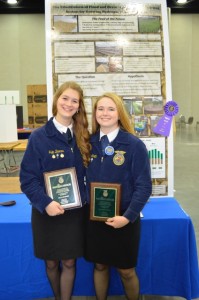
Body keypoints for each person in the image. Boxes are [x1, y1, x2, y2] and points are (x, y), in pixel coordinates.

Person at [20, 81, 91, 300]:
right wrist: (45, 203)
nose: (69, 104)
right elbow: (27, 179)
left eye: (74, 101)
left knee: (69, 261)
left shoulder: (84, 136)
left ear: (79, 107)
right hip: (47, 212)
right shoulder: (39, 137)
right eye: (65, 98)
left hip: (73, 213)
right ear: (56, 100)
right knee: (51, 262)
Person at [85, 92, 152, 300]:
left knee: (126, 271)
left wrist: (128, 217)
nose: (105, 113)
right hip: (95, 218)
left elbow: (143, 187)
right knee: (100, 265)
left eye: (111, 109)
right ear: (94, 113)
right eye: (100, 109)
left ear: (119, 113)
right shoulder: (88, 143)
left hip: (124, 219)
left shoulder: (133, 145)